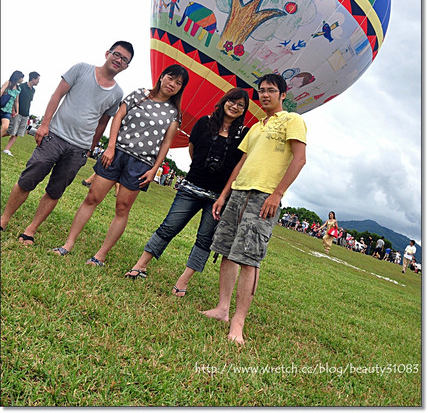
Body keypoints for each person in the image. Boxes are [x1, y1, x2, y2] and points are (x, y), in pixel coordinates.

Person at [202, 73, 307, 345]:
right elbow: (241, 163)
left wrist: (277, 193)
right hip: (239, 192)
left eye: (271, 90)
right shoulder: (255, 127)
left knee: (248, 258)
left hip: (264, 196)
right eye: (261, 90)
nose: (265, 95)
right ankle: (222, 309)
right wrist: (224, 195)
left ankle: (238, 321)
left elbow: (300, 158)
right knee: (226, 251)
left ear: (283, 95)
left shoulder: (292, 120)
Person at [52, 64, 189, 265]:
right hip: (116, 154)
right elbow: (118, 117)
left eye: (179, 83)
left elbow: (166, 143)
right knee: (92, 197)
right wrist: (110, 146)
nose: (173, 84)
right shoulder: (139, 95)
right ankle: (68, 244)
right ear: (162, 77)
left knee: (122, 208)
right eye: (171, 78)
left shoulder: (173, 113)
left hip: (141, 164)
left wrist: (154, 170)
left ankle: (100, 255)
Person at [0, 42, 133, 240]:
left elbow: (103, 123)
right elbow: (57, 95)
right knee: (28, 179)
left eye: (124, 60)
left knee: (55, 190)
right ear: (107, 53)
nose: (119, 60)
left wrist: (91, 147)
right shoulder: (81, 69)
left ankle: (31, 230)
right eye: (117, 54)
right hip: (55, 135)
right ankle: (3, 220)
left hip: (78, 148)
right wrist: (44, 124)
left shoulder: (117, 93)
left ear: (126, 67)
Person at [124, 88, 250, 295]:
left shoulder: (243, 134)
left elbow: (239, 166)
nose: (234, 107)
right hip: (191, 187)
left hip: (218, 197)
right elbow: (193, 149)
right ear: (224, 101)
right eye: (232, 101)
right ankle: (141, 265)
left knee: (204, 239)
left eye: (240, 105)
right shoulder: (204, 123)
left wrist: (224, 194)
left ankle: (183, 281)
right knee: (169, 226)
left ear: (243, 110)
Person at [3, 72, 40, 156]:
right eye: (38, 79)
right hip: (17, 113)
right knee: (10, 131)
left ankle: (6, 149)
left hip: (26, 114)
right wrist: (14, 110)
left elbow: (30, 101)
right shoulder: (21, 87)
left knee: (17, 133)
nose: (38, 81)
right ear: (33, 79)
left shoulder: (33, 90)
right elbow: (15, 99)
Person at [1, 71, 24, 137]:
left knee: (5, 127)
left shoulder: (18, 88)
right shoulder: (8, 83)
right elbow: (1, 91)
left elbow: (16, 101)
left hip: (8, 111)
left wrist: (17, 111)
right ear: (18, 77)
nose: (22, 80)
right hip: (1, 106)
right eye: (22, 78)